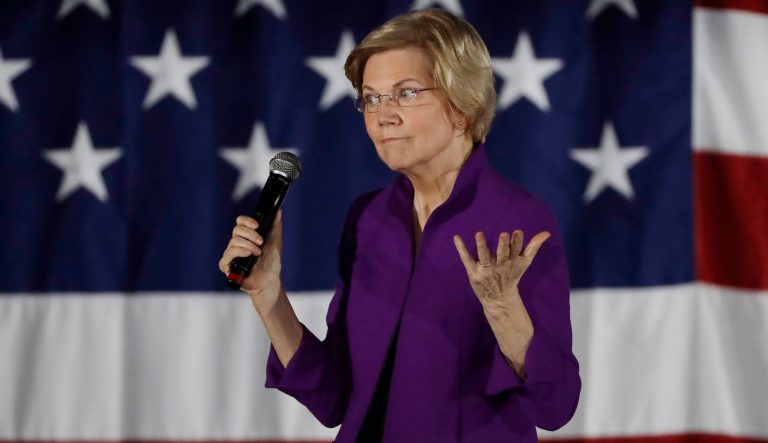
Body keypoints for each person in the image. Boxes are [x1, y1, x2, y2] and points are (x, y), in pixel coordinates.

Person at [219, 9, 580, 442]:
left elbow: (555, 407)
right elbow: (334, 398)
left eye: (405, 94)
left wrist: (505, 313)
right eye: (371, 98)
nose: (382, 115)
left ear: (462, 106)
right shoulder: (368, 218)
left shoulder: (517, 220)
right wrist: (268, 295)